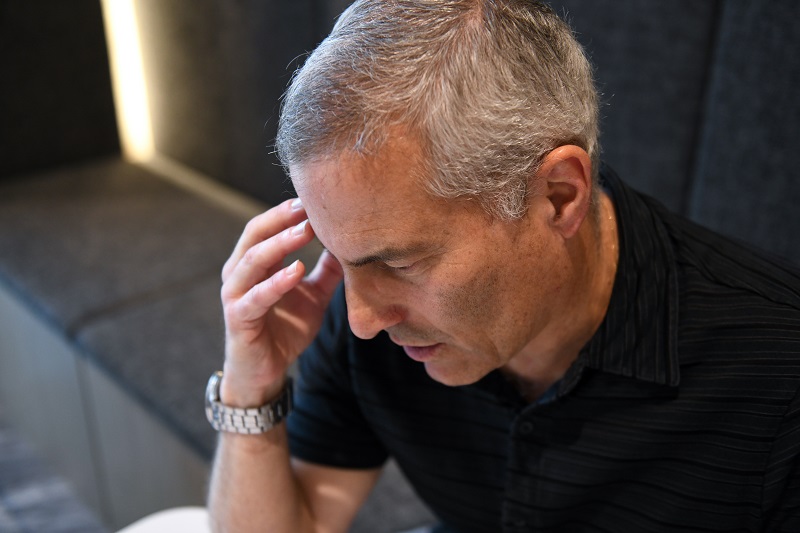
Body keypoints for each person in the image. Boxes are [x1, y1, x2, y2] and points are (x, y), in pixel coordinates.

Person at [206, 1, 800, 531]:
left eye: (402, 261)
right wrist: (248, 388)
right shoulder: (369, 306)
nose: (361, 320)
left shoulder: (776, 384)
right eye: (338, 256)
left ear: (558, 196)